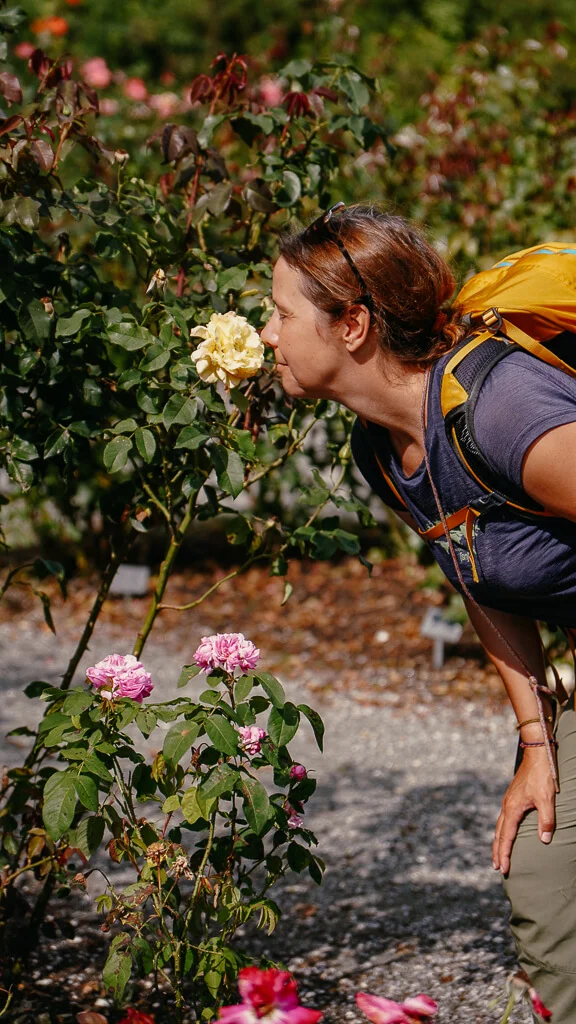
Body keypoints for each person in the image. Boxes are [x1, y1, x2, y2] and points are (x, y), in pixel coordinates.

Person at [260, 202, 576, 1022]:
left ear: (353, 325)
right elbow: (481, 577)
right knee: (547, 878)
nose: (265, 333)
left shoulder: (503, 412)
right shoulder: (381, 445)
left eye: (280, 312)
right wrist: (536, 746)